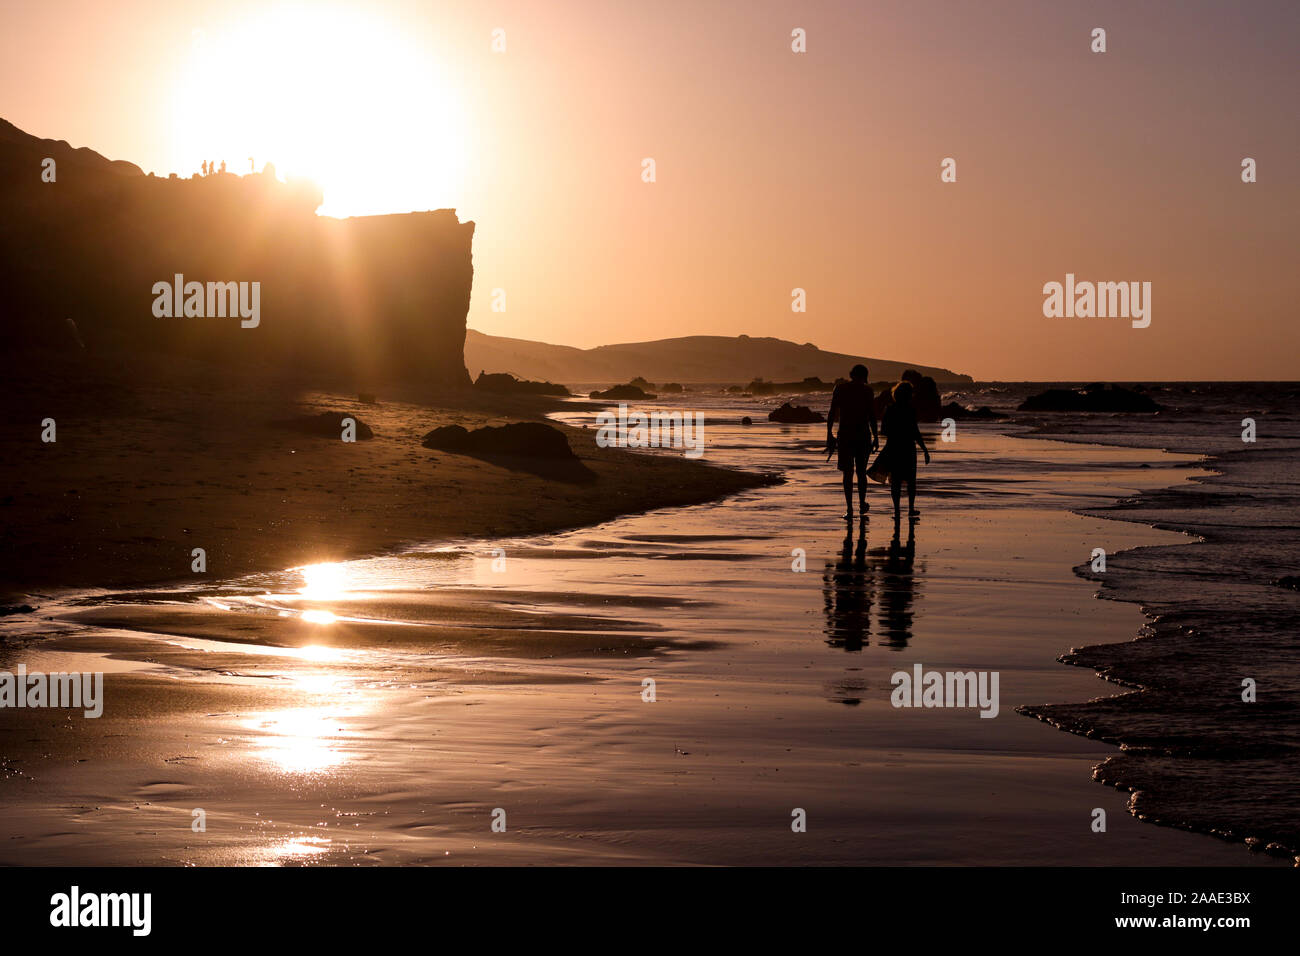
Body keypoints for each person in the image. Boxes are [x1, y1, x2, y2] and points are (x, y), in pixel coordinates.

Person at [867, 380, 930, 521]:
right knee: (910, 480)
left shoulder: (890, 409)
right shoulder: (910, 410)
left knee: (895, 481)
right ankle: (911, 509)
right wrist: (924, 449)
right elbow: (915, 431)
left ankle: (897, 511)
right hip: (907, 447)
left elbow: (884, 430)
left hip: (894, 447)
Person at [825, 364, 878, 521]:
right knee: (861, 472)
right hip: (862, 436)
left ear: (851, 374)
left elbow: (832, 412)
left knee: (848, 473)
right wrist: (875, 436)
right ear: (864, 377)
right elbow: (872, 416)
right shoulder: (867, 391)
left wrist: (829, 434)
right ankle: (861, 504)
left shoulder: (840, 389)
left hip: (846, 436)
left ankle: (849, 508)